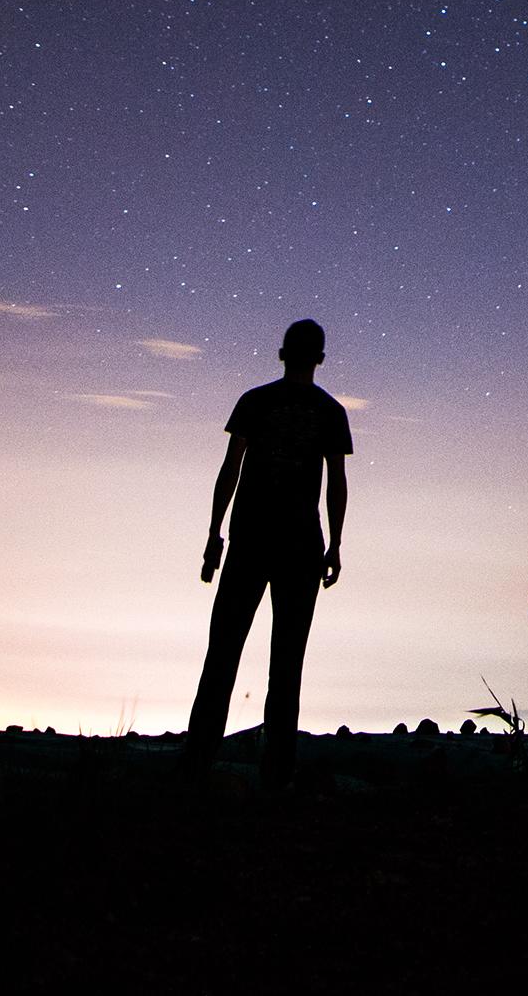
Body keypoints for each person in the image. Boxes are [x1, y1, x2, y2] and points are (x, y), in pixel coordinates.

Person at [181, 317, 351, 782]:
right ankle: (275, 776)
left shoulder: (255, 401)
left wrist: (214, 533)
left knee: (222, 653)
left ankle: (196, 767)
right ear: (319, 358)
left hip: (251, 540)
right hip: (300, 545)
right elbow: (337, 483)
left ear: (282, 352)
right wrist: (335, 544)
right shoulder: (330, 411)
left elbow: (229, 471)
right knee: (287, 662)